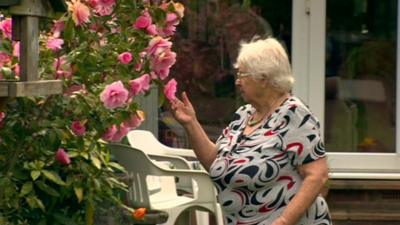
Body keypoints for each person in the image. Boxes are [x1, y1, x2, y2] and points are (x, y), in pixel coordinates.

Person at [169, 37, 332, 225]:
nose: (237, 82)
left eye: (242, 75)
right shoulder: (244, 115)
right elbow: (216, 163)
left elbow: (317, 175)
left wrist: (285, 221)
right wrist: (191, 123)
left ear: (263, 78)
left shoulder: (293, 114)